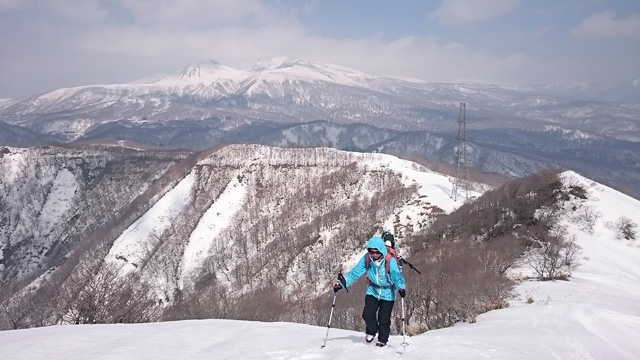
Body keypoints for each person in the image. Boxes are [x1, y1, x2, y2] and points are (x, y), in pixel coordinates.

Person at [333, 235, 407, 347]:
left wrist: (401, 288)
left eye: (377, 253)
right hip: (373, 289)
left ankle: (382, 340)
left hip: (388, 293)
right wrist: (342, 284)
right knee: (367, 314)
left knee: (384, 319)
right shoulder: (367, 259)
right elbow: (354, 273)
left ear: (382, 251)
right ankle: (371, 331)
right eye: (372, 252)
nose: (375, 255)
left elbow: (397, 276)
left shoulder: (389, 261)